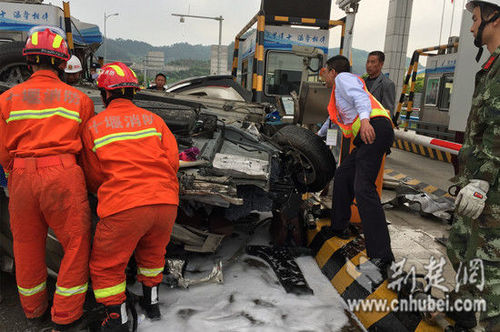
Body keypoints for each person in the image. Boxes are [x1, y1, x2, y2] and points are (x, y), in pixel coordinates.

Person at [0, 27, 94, 331]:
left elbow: (3, 152)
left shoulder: (7, 99)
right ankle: (65, 317)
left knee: (26, 246)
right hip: (63, 174)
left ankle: (34, 312)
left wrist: (15, 174)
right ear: (62, 62)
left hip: (22, 175)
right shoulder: (79, 100)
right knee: (76, 244)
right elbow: (88, 153)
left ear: (29, 62)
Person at [81, 62, 179, 330]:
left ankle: (117, 319)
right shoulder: (155, 121)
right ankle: (152, 304)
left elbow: (93, 176)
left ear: (105, 94)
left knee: (107, 266)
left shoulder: (94, 127)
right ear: (134, 92)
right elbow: (172, 162)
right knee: (153, 255)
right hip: (165, 202)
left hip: (124, 206)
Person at [446, 1, 500, 331]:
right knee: (459, 247)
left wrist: (482, 181)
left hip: (492, 191)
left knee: (489, 272)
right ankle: (463, 313)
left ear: (495, 19)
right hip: (475, 185)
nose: (471, 28)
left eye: (475, 20)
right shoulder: (492, 68)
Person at [321, 55, 394, 273]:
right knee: (343, 175)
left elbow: (360, 97)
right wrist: (315, 137)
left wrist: (364, 121)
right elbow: (331, 121)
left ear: (333, 71)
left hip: (374, 127)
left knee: (364, 189)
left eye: (325, 71)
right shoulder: (337, 93)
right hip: (368, 133)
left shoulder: (344, 79)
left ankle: (382, 255)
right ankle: (339, 226)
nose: (323, 76)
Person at [364, 51, 396, 117]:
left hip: (377, 124)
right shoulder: (362, 82)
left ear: (381, 64)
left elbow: (388, 111)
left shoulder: (387, 84)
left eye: (373, 62)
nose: (369, 65)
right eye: (368, 62)